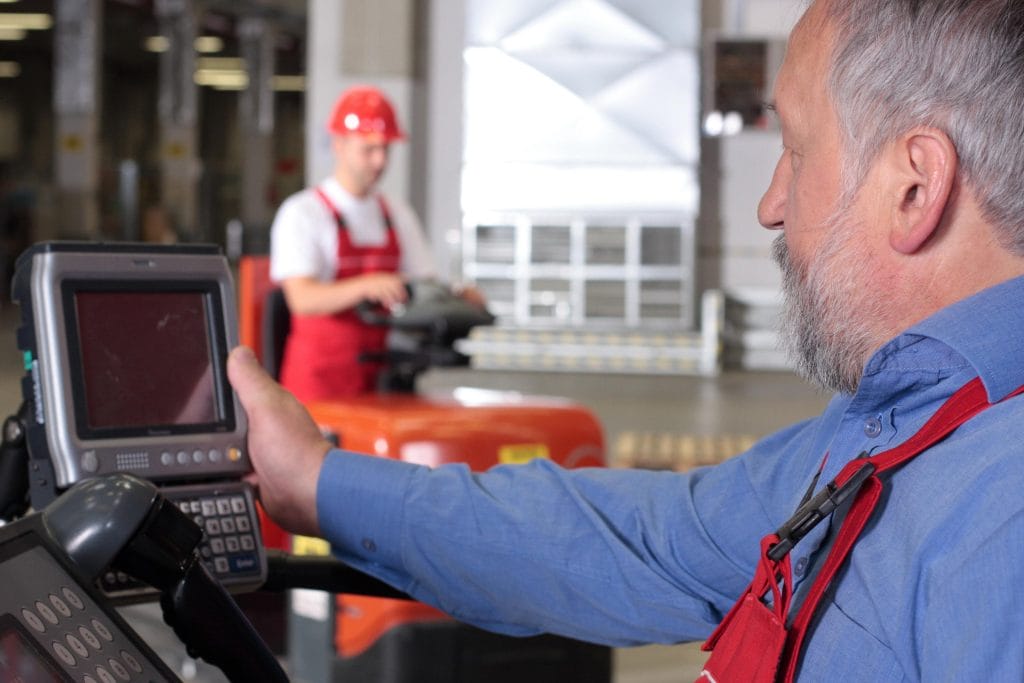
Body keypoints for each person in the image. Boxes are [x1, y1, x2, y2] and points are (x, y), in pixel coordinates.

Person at [229, 0, 1024, 679]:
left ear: (915, 187)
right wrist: (318, 480)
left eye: (795, 150)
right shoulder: (892, 427)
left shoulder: (1000, 525)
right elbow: (646, 538)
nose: (771, 205)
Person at [269, 85, 438, 401]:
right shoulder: (304, 213)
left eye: (386, 149)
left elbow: (423, 285)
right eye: (369, 149)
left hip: (382, 384)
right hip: (318, 389)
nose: (380, 161)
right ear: (339, 144)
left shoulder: (397, 213)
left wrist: (454, 296)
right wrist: (368, 285)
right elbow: (302, 298)